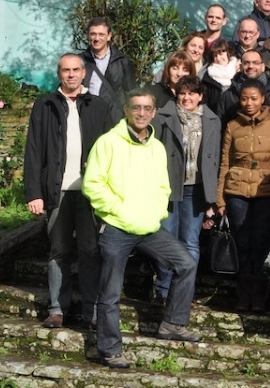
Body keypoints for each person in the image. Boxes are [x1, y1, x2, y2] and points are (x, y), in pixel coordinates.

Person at [83, 89, 201, 369]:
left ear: (154, 112)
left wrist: (157, 212)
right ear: (126, 110)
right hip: (116, 227)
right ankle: (110, 349)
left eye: (147, 108)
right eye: (136, 108)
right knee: (110, 293)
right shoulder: (108, 142)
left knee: (186, 263)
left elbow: (163, 186)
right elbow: (93, 184)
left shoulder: (157, 147)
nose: (141, 113)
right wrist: (118, 210)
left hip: (148, 228)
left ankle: (172, 323)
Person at [24, 53, 111, 329]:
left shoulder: (99, 106)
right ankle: (57, 308)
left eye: (75, 70)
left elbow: (111, 151)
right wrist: (33, 193)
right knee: (58, 250)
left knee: (90, 250)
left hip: (90, 192)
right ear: (59, 73)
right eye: (65, 70)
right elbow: (34, 151)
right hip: (56, 190)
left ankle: (92, 311)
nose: (71, 74)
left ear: (84, 73)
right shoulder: (45, 105)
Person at [151, 76, 221, 304]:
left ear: (200, 96)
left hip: (197, 188)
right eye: (182, 93)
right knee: (166, 239)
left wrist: (213, 198)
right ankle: (163, 290)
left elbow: (215, 158)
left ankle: (183, 291)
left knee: (190, 241)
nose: (187, 98)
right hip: (168, 187)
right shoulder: (163, 117)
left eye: (192, 93)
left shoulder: (212, 119)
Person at [216, 79, 270, 312]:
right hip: (237, 191)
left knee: (262, 244)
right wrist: (220, 199)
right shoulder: (233, 125)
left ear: (263, 99)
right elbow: (225, 162)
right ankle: (243, 296)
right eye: (245, 98)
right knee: (242, 243)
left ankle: (261, 296)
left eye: (254, 98)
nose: (249, 103)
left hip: (266, 192)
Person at [80, 16, 137, 124]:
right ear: (88, 35)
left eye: (101, 34)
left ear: (109, 36)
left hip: (114, 118)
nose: (97, 38)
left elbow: (130, 91)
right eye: (93, 34)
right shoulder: (80, 60)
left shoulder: (122, 61)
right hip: (86, 117)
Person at [217, 50, 270, 124]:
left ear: (263, 67)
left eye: (255, 63)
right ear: (240, 67)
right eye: (246, 63)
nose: (250, 66)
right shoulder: (228, 96)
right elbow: (221, 126)